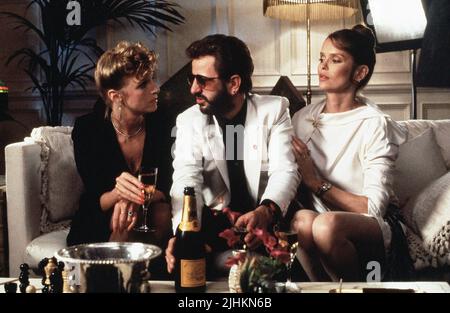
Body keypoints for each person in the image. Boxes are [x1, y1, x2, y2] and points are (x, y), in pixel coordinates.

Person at [165, 34, 300, 277]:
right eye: (191, 78)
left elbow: (286, 170)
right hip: (218, 232)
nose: (193, 88)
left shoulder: (275, 110)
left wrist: (265, 212)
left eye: (203, 80)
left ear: (234, 83)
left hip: (270, 229)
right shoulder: (188, 120)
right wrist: (183, 234)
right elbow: (187, 180)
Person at [291, 25, 413, 282]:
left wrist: (316, 183)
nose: (323, 66)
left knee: (326, 225)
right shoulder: (302, 118)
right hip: (317, 222)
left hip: (371, 226)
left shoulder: (374, 122)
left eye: (335, 60)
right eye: (322, 58)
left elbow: (372, 207)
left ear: (359, 72)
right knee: (301, 220)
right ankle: (325, 289)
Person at [67, 41, 173, 256]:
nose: (155, 88)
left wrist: (135, 198)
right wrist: (119, 194)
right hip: (102, 212)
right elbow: (96, 196)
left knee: (161, 211)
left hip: (153, 209)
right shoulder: (88, 129)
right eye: (143, 84)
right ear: (116, 96)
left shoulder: (163, 123)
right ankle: (116, 276)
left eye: (152, 79)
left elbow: (168, 188)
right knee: (121, 218)